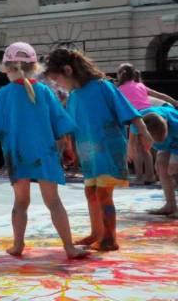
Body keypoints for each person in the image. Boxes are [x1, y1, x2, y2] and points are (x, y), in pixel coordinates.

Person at [0, 43, 88, 259]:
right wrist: (68, 148)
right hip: (45, 152)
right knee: (54, 202)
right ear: (35, 67)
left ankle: (18, 245)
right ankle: (69, 247)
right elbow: (60, 124)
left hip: (16, 153)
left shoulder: (4, 94)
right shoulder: (45, 91)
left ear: (6, 68)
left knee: (21, 202)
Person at [44, 48, 152, 251]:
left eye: (57, 79)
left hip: (108, 151)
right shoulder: (74, 96)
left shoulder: (102, 87)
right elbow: (71, 126)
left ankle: (109, 238)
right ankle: (97, 232)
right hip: (89, 155)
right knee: (90, 192)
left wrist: (144, 132)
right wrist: (70, 149)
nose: (57, 84)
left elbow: (129, 111)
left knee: (103, 193)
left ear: (68, 70)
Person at [117, 63, 177, 184]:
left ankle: (140, 177)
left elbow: (115, 106)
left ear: (120, 75)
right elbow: (159, 95)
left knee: (138, 149)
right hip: (152, 116)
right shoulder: (140, 85)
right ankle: (150, 175)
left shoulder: (119, 89)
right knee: (147, 149)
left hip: (137, 118)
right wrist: (174, 101)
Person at [131, 108, 178, 219]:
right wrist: (130, 146)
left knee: (174, 168)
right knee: (161, 166)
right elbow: (133, 131)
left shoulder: (175, 124)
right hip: (169, 142)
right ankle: (170, 205)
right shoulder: (139, 122)